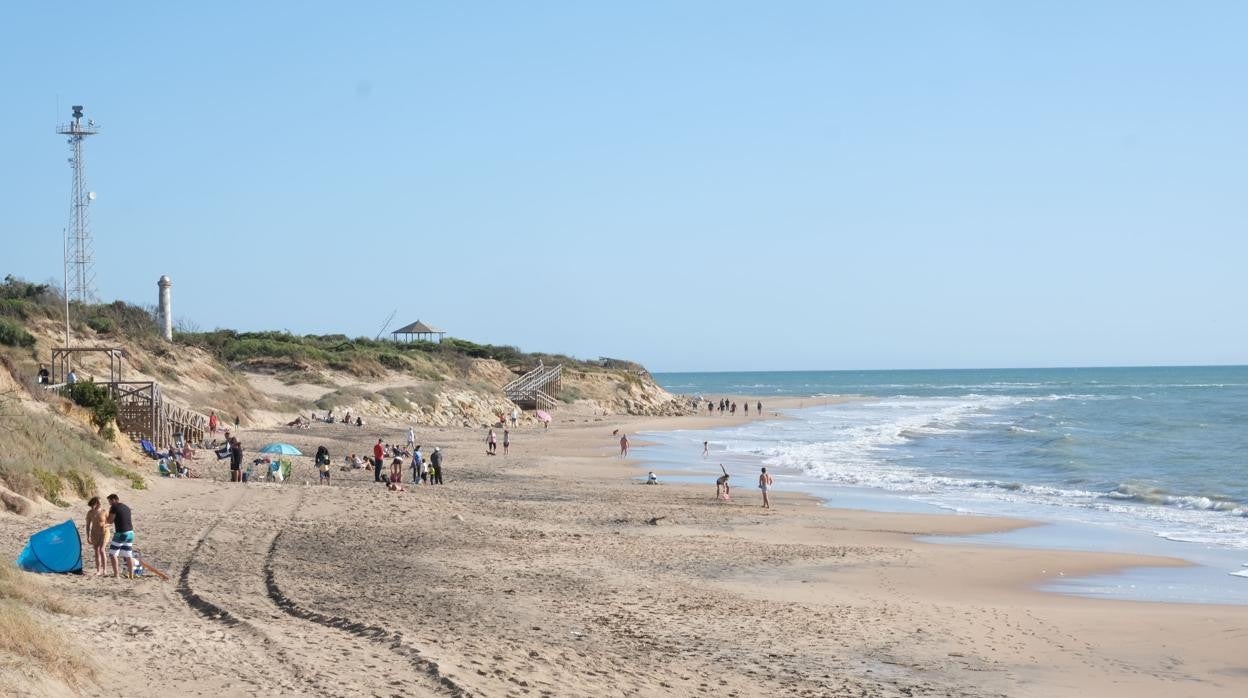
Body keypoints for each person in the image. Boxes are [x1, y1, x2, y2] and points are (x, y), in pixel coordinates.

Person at [105, 494, 137, 578]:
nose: (109, 503)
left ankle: (116, 574)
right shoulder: (126, 507)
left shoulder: (114, 507)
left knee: (113, 554)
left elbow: (110, 521)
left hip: (121, 533)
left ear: (114, 500)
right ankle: (131, 574)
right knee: (128, 554)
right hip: (130, 533)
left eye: (110, 501)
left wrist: (105, 517)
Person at [85, 496, 108, 576]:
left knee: (102, 550)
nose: (100, 503)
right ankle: (98, 570)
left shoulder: (104, 511)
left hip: (104, 532)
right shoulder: (90, 513)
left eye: (100, 502)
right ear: (94, 503)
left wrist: (105, 526)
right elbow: (88, 525)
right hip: (94, 533)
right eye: (98, 502)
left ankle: (105, 570)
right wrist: (88, 536)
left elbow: (110, 522)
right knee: (96, 551)